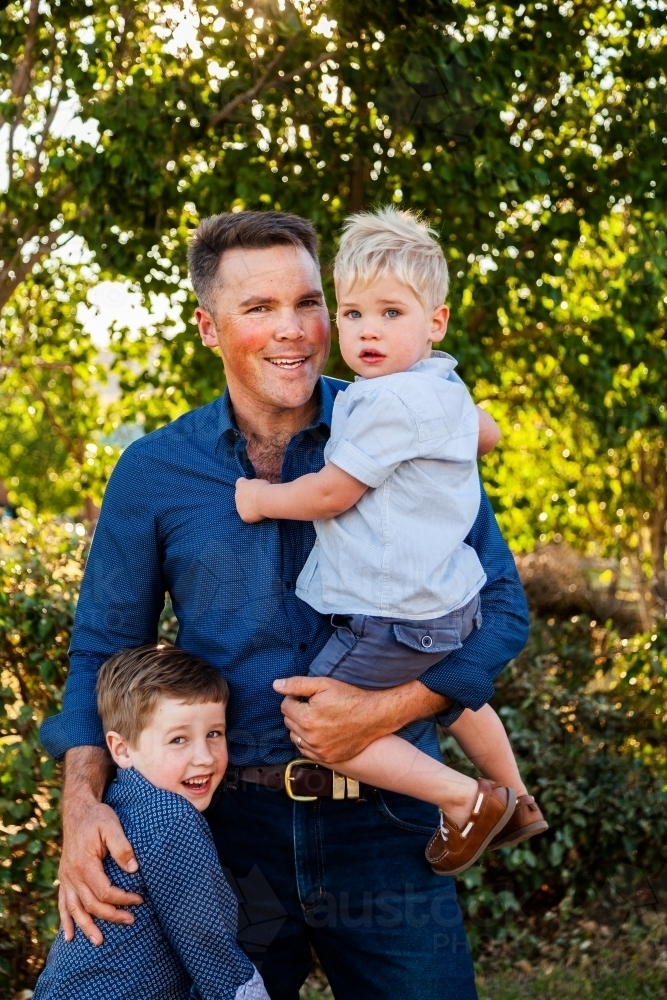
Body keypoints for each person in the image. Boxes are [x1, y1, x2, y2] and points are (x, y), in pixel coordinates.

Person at [40, 210, 531, 1000]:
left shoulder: (404, 423)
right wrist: (81, 809)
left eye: (307, 303)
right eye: (258, 309)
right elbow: (102, 652)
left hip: (388, 828)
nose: (293, 331)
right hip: (224, 838)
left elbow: (501, 607)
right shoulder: (155, 470)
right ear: (208, 326)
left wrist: (391, 709)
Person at [234, 208, 547, 876]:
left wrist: (260, 499)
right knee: (464, 703)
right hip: (445, 602)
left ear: (434, 323)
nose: (368, 330)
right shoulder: (440, 387)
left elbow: (329, 493)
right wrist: (472, 431)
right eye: (351, 314)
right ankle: (519, 798)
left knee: (317, 726)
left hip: (392, 615)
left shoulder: (383, 404)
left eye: (390, 314)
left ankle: (467, 799)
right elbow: (485, 432)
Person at [35, 644, 268, 1000]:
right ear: (122, 749)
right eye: (179, 739)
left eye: (214, 734)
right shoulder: (171, 819)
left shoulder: (120, 802)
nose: (204, 757)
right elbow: (211, 953)